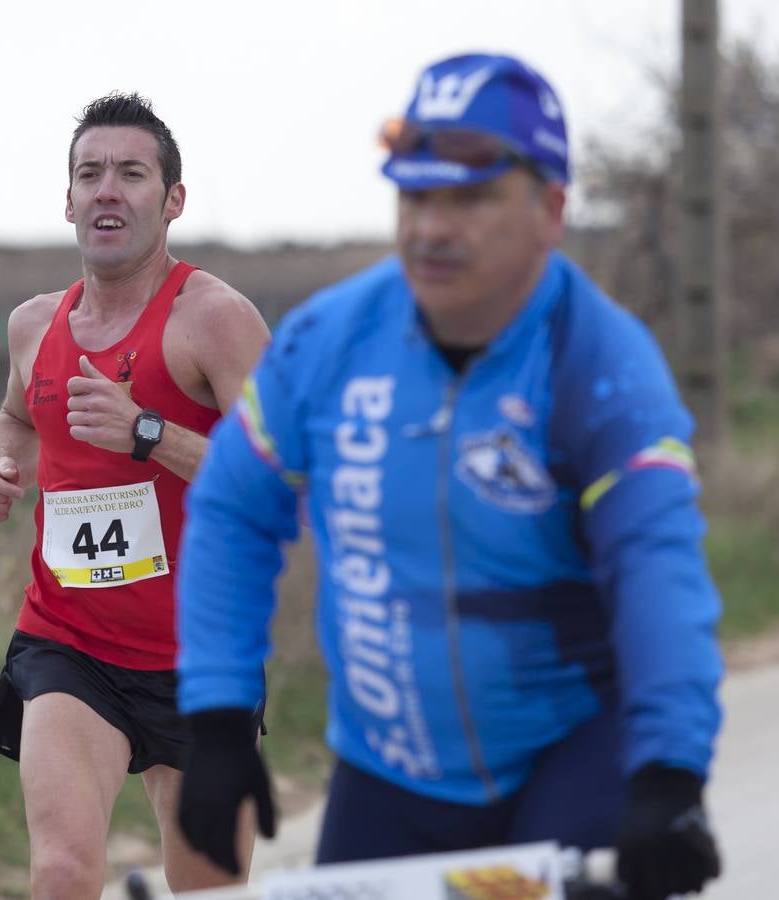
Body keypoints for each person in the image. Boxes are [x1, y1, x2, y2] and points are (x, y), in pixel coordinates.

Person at [174, 53, 724, 900]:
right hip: (387, 767)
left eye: (468, 199)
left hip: (566, 749)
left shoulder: (601, 366)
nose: (430, 228)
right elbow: (232, 510)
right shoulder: (330, 339)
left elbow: (657, 574)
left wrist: (668, 773)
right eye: (415, 196)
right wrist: (214, 719)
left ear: (550, 209)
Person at [0, 91, 271, 900]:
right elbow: (13, 419)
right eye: (89, 173)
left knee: (207, 887)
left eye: (131, 173)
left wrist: (147, 434)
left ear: (171, 200)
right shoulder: (33, 325)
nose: (107, 190)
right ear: (66, 199)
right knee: (62, 873)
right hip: (69, 638)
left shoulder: (215, 320)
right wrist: (2, 471)